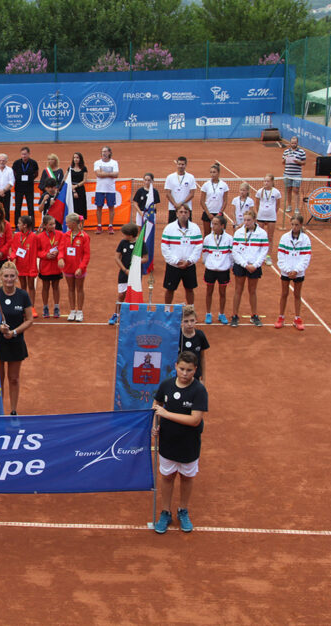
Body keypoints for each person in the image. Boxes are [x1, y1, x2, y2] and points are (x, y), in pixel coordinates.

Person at [152, 350, 208, 534]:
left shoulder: (199, 391)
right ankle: (165, 512)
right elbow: (156, 405)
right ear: (176, 367)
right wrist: (155, 425)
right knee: (167, 477)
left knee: (186, 478)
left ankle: (183, 510)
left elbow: (195, 420)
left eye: (189, 370)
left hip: (189, 444)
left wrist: (166, 414)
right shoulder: (167, 385)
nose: (185, 373)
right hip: (167, 441)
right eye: (182, 369)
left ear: (195, 370)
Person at [0, 261, 34, 415]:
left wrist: (14, 332)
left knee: (14, 379)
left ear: (17, 277)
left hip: (16, 342)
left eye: (12, 276)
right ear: (1, 277)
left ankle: (13, 412)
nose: (9, 279)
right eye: (6, 276)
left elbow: (29, 320)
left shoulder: (23, 295)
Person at [230, 209, 268, 327]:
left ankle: (254, 315)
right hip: (241, 265)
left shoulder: (262, 233)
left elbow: (264, 251)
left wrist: (255, 265)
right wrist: (245, 264)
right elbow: (235, 251)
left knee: (252, 291)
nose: (246, 222)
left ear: (254, 220)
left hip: (254, 266)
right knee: (238, 290)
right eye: (244, 220)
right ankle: (235, 315)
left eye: (249, 220)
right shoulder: (238, 233)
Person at [160, 204, 204, 306]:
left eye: (185, 212)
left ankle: (190, 311)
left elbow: (198, 247)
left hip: (189, 266)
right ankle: (167, 311)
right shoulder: (169, 228)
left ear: (189, 214)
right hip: (173, 266)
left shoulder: (195, 228)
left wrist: (189, 261)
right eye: (181, 212)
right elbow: (165, 247)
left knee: (189, 289)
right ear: (176, 214)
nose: (183, 214)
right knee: (170, 289)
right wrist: (176, 261)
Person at [275, 212, 312, 331]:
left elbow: (306, 257)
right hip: (286, 272)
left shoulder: (305, 239)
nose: (294, 227)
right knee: (284, 294)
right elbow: (280, 256)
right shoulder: (284, 237)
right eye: (292, 224)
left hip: (298, 272)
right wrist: (287, 270)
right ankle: (281, 317)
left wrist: (296, 270)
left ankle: (297, 318)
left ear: (301, 225)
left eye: (296, 225)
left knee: (297, 295)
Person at [109, 223, 149, 325]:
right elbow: (117, 257)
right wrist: (125, 269)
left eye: (125, 234)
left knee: (133, 295)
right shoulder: (123, 243)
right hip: (124, 273)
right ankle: (116, 314)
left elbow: (146, 258)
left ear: (131, 235)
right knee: (121, 295)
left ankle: (134, 316)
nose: (123, 236)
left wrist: (137, 261)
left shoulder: (141, 244)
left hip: (135, 274)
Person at [201, 214, 233, 325]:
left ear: (222, 226)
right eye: (212, 223)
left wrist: (229, 265)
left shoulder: (229, 239)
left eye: (215, 224)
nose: (213, 226)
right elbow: (204, 253)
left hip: (223, 270)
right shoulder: (208, 238)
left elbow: (231, 254)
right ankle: (208, 313)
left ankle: (221, 314)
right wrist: (208, 264)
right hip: (210, 269)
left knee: (222, 293)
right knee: (209, 292)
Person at [59, 213, 90, 322]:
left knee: (79, 289)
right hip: (68, 267)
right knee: (70, 288)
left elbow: (87, 255)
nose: (66, 224)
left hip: (79, 269)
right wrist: (61, 258)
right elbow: (61, 250)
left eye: (67, 222)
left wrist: (81, 268)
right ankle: (72, 311)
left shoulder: (84, 237)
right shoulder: (65, 235)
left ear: (73, 224)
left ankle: (80, 311)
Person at [7, 214, 39, 316]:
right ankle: (24, 306)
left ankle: (32, 307)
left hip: (30, 266)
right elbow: (15, 249)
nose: (17, 225)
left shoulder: (33, 236)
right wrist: (11, 257)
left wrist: (33, 267)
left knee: (31, 286)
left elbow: (34, 252)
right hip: (20, 265)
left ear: (25, 225)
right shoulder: (17, 236)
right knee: (23, 286)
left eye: (19, 223)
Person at [36, 214, 64, 318]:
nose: (53, 226)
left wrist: (58, 254)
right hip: (45, 266)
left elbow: (62, 248)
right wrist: (46, 255)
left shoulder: (60, 234)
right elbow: (37, 251)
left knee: (56, 286)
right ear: (44, 225)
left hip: (56, 266)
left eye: (54, 224)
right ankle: (45, 307)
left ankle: (56, 307)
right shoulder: (39, 237)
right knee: (45, 287)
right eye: (50, 224)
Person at [255, 174, 282, 266]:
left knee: (270, 237)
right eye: (264, 181)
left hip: (271, 217)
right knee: (259, 236)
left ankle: (268, 256)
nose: (266, 183)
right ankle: (259, 255)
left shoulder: (276, 192)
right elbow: (257, 204)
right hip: (261, 217)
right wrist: (261, 212)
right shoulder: (259, 192)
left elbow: (278, 206)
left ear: (272, 182)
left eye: (268, 181)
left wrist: (272, 213)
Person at [178, 305, 209, 381]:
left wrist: (203, 378)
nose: (189, 324)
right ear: (181, 322)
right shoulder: (177, 336)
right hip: (180, 376)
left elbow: (202, 357)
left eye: (192, 320)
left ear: (196, 320)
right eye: (186, 321)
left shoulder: (200, 335)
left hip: (195, 376)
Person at [93, 146, 120, 234]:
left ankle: (110, 226)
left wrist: (103, 173)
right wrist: (110, 174)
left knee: (111, 207)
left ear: (109, 152)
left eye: (105, 151)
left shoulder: (114, 163)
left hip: (111, 189)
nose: (103, 153)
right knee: (99, 207)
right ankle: (99, 226)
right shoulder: (97, 162)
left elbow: (116, 175)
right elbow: (98, 174)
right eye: (102, 151)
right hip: (99, 189)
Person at [199, 163, 229, 236]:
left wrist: (220, 213)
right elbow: (202, 201)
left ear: (218, 173)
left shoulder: (224, 185)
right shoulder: (206, 185)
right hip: (208, 213)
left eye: (214, 172)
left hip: (218, 213)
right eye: (211, 172)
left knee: (219, 233)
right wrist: (208, 214)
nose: (212, 174)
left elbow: (225, 200)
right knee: (206, 233)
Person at [164, 156, 196, 224]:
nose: (181, 166)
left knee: (187, 229)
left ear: (185, 165)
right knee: (172, 229)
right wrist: (175, 205)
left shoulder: (191, 177)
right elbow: (168, 193)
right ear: (177, 164)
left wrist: (181, 204)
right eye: (179, 164)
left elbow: (192, 194)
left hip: (186, 209)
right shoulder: (170, 177)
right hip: (173, 208)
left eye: (182, 164)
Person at [12, 146, 38, 224]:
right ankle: (17, 225)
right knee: (17, 207)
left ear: (29, 154)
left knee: (30, 207)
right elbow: (13, 173)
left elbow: (36, 173)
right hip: (19, 188)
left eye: (25, 154)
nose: (24, 156)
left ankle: (31, 225)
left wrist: (30, 179)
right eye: (22, 154)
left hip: (29, 188)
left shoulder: (33, 163)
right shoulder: (16, 163)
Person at [282, 136, 306, 216]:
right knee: (288, 190)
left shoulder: (301, 152)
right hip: (287, 174)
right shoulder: (286, 152)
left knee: (296, 191)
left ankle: (296, 207)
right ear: (290, 143)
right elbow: (282, 162)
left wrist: (298, 161)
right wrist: (285, 159)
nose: (293, 144)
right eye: (292, 143)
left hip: (297, 175)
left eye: (295, 143)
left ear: (297, 143)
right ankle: (289, 206)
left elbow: (304, 162)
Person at [67, 152, 88, 219]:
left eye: (77, 157)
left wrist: (76, 186)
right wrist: (73, 189)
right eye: (74, 157)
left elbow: (84, 180)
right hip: (71, 190)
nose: (75, 159)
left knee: (81, 208)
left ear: (80, 159)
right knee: (73, 207)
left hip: (80, 190)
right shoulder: (70, 168)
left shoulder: (84, 168)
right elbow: (67, 179)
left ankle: (81, 227)